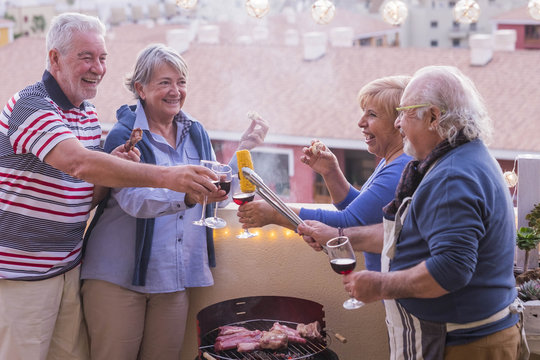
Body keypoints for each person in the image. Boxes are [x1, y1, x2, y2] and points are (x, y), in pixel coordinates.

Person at [0, 13, 222, 360]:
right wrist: (169, 177)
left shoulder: (87, 115)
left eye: (102, 58)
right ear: (55, 58)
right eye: (86, 57)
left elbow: (87, 193)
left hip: (68, 268)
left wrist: (114, 166)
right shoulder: (30, 104)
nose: (97, 68)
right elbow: (78, 162)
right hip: (22, 275)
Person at [299, 65, 525, 360]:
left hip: (463, 343)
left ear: (433, 116)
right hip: (462, 335)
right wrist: (345, 237)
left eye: (404, 112)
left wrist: (381, 284)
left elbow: (451, 269)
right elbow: (410, 233)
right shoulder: (463, 157)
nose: (398, 123)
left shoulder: (452, 176)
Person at [80, 43, 269, 360]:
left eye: (181, 82)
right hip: (118, 278)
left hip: (173, 277)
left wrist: (244, 149)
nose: (175, 91)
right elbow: (134, 201)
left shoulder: (195, 132)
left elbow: (213, 194)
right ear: (140, 88)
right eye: (164, 82)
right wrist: (185, 194)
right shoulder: (125, 135)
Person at [238, 75, 412, 271]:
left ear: (399, 122)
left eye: (372, 114)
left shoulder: (400, 169)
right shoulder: (392, 161)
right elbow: (365, 212)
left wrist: (276, 213)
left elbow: (349, 223)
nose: (360, 122)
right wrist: (331, 173)